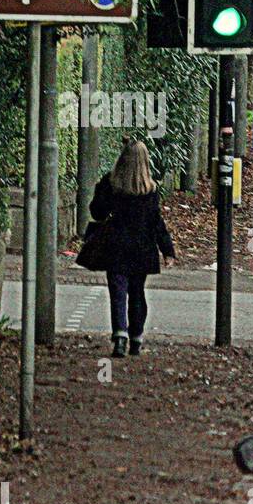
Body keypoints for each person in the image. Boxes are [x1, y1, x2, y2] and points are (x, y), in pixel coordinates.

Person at [89, 139, 176, 357]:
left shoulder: (111, 185)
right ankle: (136, 338)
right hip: (142, 249)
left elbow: (97, 212)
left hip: (116, 247)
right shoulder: (150, 190)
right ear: (145, 162)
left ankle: (120, 336)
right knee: (137, 293)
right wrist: (167, 250)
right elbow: (156, 223)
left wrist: (102, 191)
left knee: (118, 292)